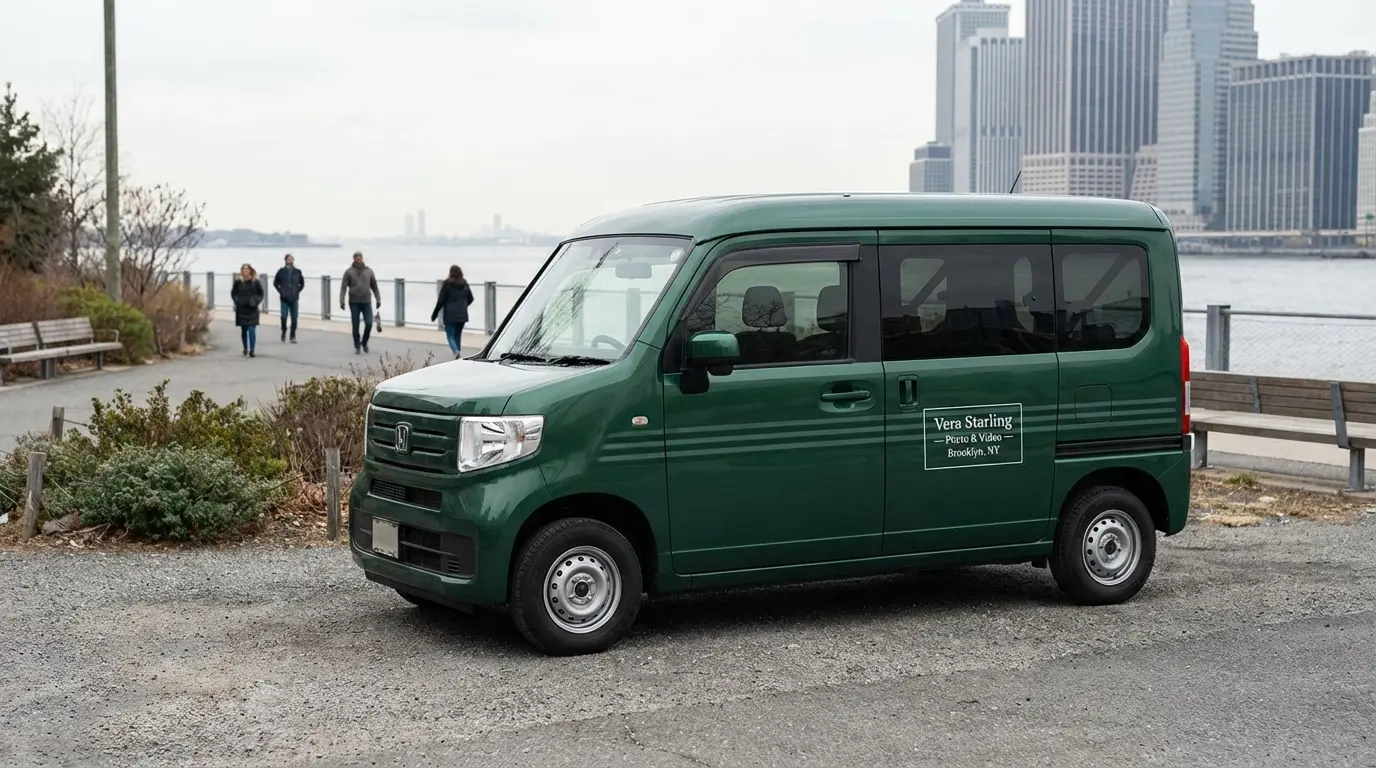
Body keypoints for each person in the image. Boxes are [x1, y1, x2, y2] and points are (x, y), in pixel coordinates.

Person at [339, 251, 381, 354]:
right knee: (355, 324)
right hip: (354, 302)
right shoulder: (348, 272)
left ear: (362, 258)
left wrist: (378, 298)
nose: (359, 260)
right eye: (357, 258)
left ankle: (364, 342)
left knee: (369, 323)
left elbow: (374, 286)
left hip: (366, 301)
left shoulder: (369, 271)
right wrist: (342, 300)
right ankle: (357, 345)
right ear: (354, 259)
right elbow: (343, 287)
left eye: (360, 258)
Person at [431, 265, 475, 358]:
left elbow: (441, 301)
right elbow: (471, 298)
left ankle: (455, 351)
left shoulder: (447, 284)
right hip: (462, 315)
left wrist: (435, 314)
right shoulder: (464, 283)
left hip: (450, 315)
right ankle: (457, 353)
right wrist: (463, 306)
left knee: (450, 335)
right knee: (457, 336)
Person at [231, 263, 264, 358]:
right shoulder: (238, 282)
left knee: (252, 329)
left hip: (252, 308)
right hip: (242, 309)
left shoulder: (255, 281)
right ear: (241, 271)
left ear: (250, 270)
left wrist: (256, 301)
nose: (245, 271)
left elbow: (261, 293)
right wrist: (238, 301)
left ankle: (252, 350)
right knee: (244, 329)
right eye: (244, 269)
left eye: (247, 269)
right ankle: (245, 347)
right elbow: (233, 293)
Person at [272, 253, 305, 343]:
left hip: (294, 298)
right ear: (285, 260)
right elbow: (275, 282)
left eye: (291, 259)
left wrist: (297, 291)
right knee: (283, 316)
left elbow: (302, 283)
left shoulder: (297, 272)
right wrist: (281, 291)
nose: (290, 260)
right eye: (288, 259)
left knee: (294, 317)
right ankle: (284, 330)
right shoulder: (281, 271)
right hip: (284, 298)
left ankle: (292, 335)